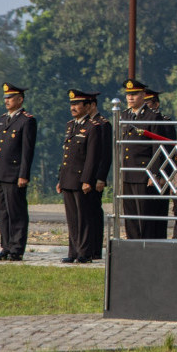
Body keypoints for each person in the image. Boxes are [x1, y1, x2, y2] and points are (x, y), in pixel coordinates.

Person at [57, 89, 102, 263]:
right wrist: (60, 179)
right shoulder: (71, 125)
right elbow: (66, 155)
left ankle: (84, 252)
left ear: (86, 106)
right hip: (68, 178)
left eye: (77, 104)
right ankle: (73, 252)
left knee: (84, 218)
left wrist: (86, 179)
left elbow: (91, 157)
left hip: (80, 179)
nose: (73, 108)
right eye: (72, 104)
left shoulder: (92, 127)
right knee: (72, 219)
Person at [0, 83, 37, 261]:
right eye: (5, 98)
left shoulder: (26, 120)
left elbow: (27, 151)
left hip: (14, 174)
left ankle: (17, 247)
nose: (7, 101)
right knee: (2, 212)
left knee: (16, 212)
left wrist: (23, 174)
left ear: (20, 99)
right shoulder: (3, 119)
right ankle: (6, 245)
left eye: (10, 98)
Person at [119, 79, 163, 239]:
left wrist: (154, 173)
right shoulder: (124, 115)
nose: (130, 98)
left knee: (144, 214)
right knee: (130, 215)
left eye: (135, 94)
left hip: (144, 173)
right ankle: (133, 244)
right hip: (128, 171)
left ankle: (145, 246)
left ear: (143, 95)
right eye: (128, 94)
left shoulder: (152, 116)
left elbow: (157, 147)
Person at [143, 88, 172, 239]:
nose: (145, 106)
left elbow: (168, 150)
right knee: (145, 212)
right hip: (144, 171)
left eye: (148, 102)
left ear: (156, 104)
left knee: (158, 211)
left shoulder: (164, 121)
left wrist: (161, 174)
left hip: (160, 173)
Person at [89, 94, 112, 258]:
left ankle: (95, 248)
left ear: (92, 105)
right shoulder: (84, 124)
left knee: (94, 212)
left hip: (95, 175)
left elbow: (105, 154)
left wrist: (101, 177)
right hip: (83, 175)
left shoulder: (103, 124)